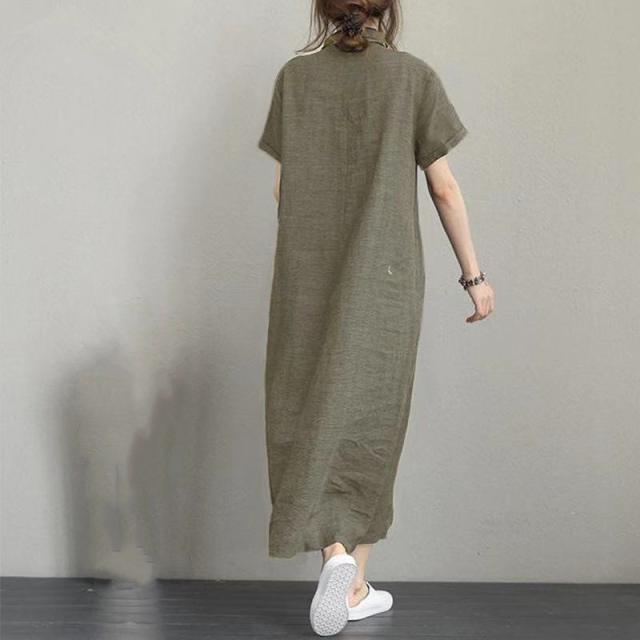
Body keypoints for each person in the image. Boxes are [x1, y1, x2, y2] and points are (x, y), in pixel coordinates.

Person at [258, 0, 495, 635]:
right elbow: (443, 187)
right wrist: (474, 277)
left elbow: (282, 189)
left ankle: (339, 563)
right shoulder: (412, 77)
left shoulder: (294, 77)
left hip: (305, 277)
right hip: (384, 280)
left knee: (304, 407)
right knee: (371, 419)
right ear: (385, 9)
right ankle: (355, 577)